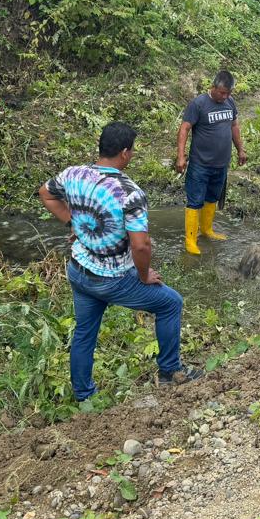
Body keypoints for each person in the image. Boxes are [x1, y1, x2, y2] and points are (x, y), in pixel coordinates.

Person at [39, 121, 202, 402]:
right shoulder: (129, 193)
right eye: (132, 151)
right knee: (170, 303)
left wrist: (75, 224)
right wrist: (143, 275)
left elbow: (46, 193)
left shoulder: (73, 174)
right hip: (112, 279)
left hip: (79, 270)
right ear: (125, 153)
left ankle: (84, 395)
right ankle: (169, 371)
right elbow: (141, 245)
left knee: (84, 332)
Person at [176, 70, 246, 255]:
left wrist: (240, 149)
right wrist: (181, 156)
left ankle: (207, 229)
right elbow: (184, 129)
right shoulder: (198, 104)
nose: (225, 97)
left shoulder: (230, 103)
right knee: (195, 201)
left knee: (212, 197)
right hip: (200, 164)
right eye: (222, 92)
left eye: (228, 93)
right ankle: (191, 239)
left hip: (221, 164)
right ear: (213, 87)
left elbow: (234, 126)